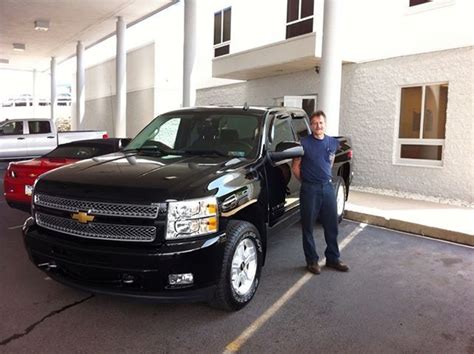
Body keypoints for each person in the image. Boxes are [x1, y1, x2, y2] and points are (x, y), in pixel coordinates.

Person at [292, 110, 349, 274]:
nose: (318, 126)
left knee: (332, 225)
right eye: (315, 123)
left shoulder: (332, 142)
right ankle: (312, 261)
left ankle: (333, 258)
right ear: (311, 126)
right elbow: (295, 167)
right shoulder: (303, 143)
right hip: (310, 189)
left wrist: (323, 178)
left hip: (327, 187)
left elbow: (330, 161)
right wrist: (306, 181)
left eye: (321, 123)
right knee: (308, 226)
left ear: (325, 124)